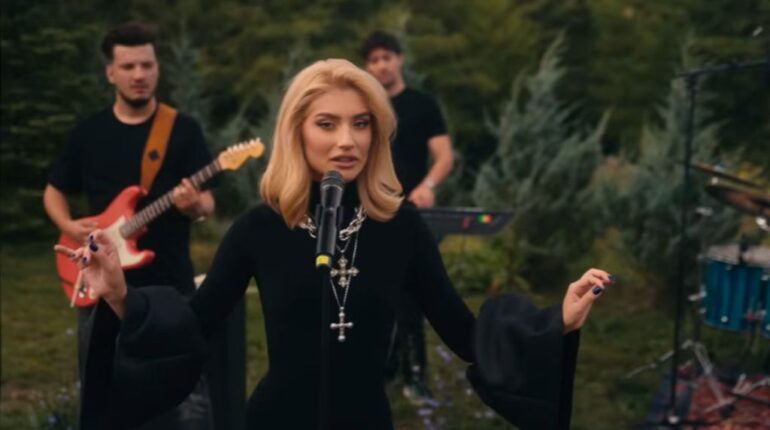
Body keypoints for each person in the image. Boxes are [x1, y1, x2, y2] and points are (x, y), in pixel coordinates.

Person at [56, 58, 614, 430]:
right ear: (297, 131)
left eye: (361, 123)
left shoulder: (401, 228)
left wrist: (554, 324)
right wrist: (122, 295)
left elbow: (467, 337)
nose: (347, 140)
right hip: (276, 420)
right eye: (327, 123)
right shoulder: (259, 228)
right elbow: (195, 324)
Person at [43, 21, 215, 430]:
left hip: (170, 284)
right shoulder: (88, 133)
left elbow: (208, 203)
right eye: (128, 66)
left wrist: (195, 206)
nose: (139, 74)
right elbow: (53, 191)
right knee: (102, 397)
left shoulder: (183, 130)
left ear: (158, 68)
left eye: (147, 65)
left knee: (188, 403)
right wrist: (69, 224)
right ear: (111, 72)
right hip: (100, 286)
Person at [361, 30, 453, 402]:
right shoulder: (364, 108)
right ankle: (380, 369)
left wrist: (428, 185)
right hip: (369, 210)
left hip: (410, 213)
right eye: (373, 60)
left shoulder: (422, 104)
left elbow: (444, 156)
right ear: (367, 67)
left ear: (398, 59)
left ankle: (415, 376)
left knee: (412, 295)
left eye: (386, 57)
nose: (381, 65)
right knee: (372, 292)